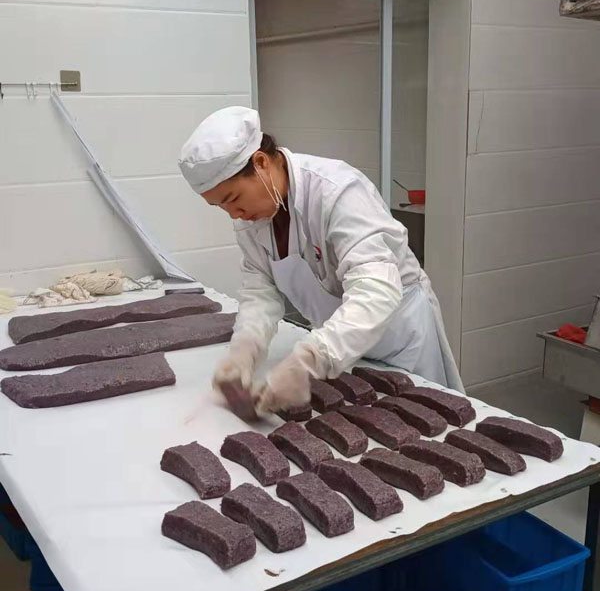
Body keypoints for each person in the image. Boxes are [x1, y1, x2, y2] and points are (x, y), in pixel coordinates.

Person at [179, 106, 463, 415]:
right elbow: (260, 290)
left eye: (233, 199)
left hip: (399, 338)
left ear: (260, 163)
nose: (235, 215)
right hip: (340, 345)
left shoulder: (336, 191)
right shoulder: (252, 219)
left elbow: (377, 289)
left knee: (425, 422)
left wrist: (313, 358)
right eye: (221, 207)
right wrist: (244, 349)